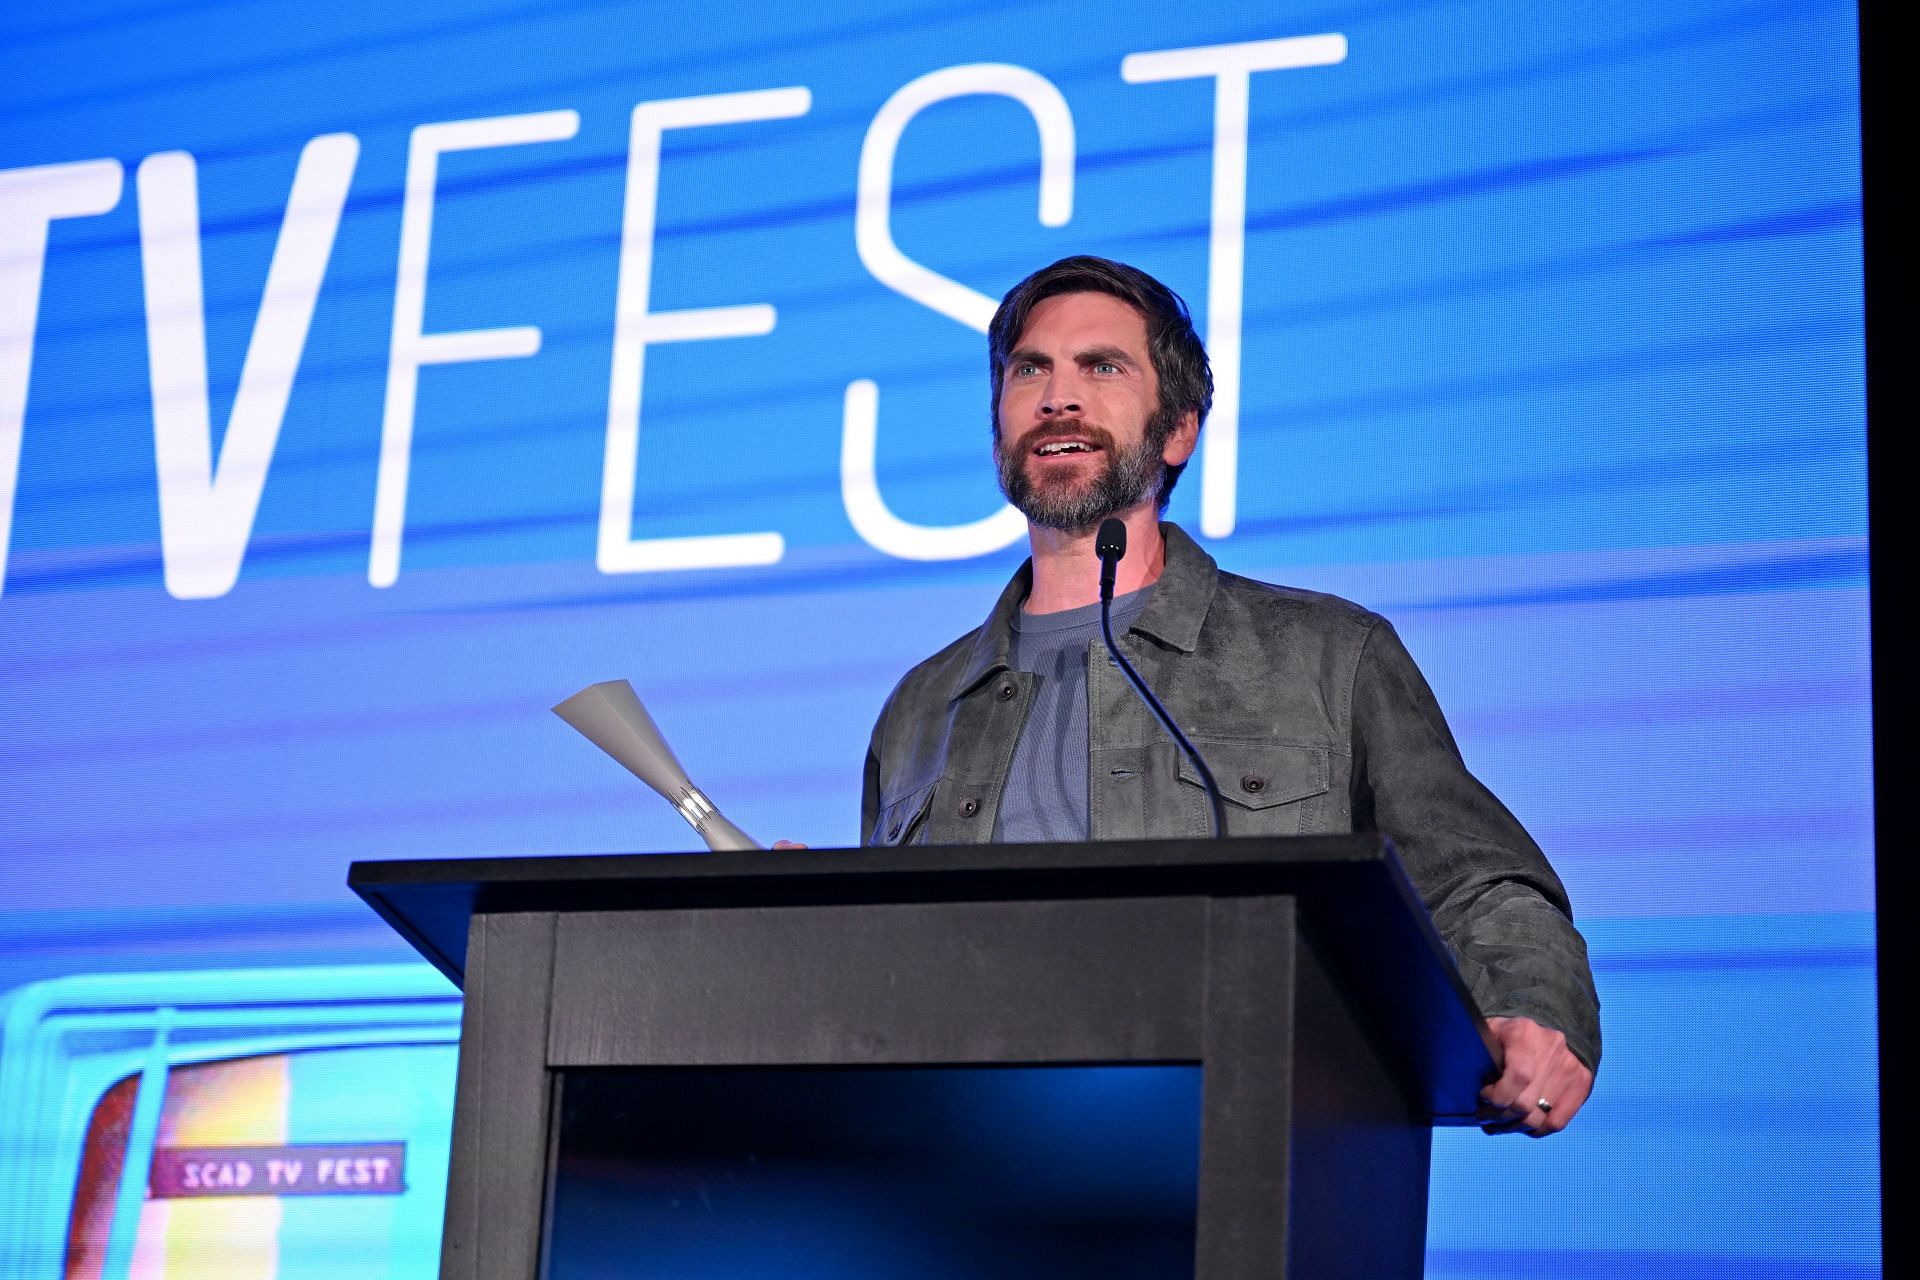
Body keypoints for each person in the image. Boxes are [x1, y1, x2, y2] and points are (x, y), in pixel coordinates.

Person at [835, 255, 1598, 1136]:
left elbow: (1479, 886)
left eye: (1102, 367)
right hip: (965, 1184)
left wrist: (1533, 1008)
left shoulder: (1328, 656)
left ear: (1179, 430)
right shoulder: (923, 707)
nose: (1057, 398)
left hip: (1243, 1156)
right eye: (1029, 370)